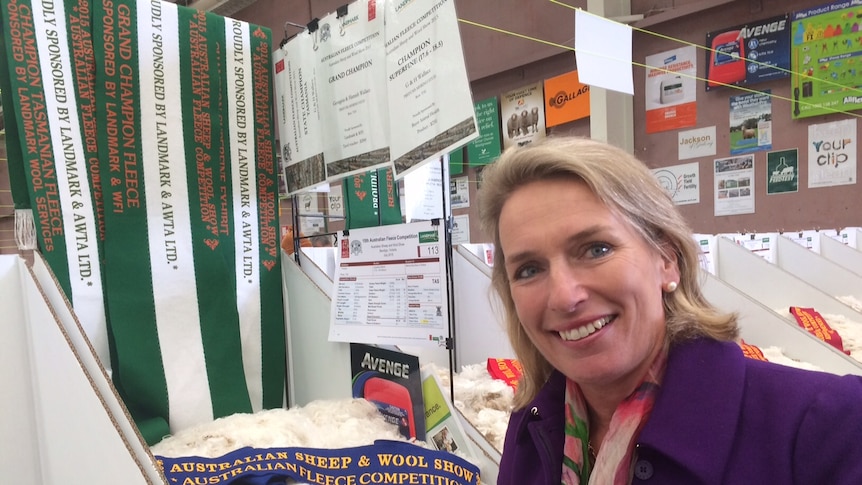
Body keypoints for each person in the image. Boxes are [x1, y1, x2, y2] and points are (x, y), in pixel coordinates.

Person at [477, 136, 862, 484]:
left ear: (667, 260)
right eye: (529, 270)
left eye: (596, 249)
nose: (563, 296)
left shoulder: (824, 427)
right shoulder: (532, 428)